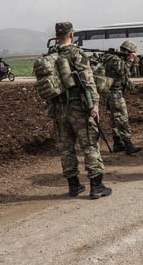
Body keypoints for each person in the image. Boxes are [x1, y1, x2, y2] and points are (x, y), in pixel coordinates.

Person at [50, 22, 111, 199]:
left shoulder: (51, 55)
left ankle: (74, 186)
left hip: (59, 108)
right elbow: (88, 80)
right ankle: (96, 187)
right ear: (71, 34)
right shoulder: (77, 53)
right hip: (80, 107)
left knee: (66, 148)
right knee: (90, 144)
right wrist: (95, 105)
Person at [102, 40, 143, 155]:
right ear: (127, 51)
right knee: (122, 118)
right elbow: (122, 71)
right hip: (114, 93)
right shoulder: (114, 60)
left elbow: (128, 75)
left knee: (116, 120)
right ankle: (128, 144)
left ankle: (118, 143)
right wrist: (130, 60)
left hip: (115, 93)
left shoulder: (117, 59)